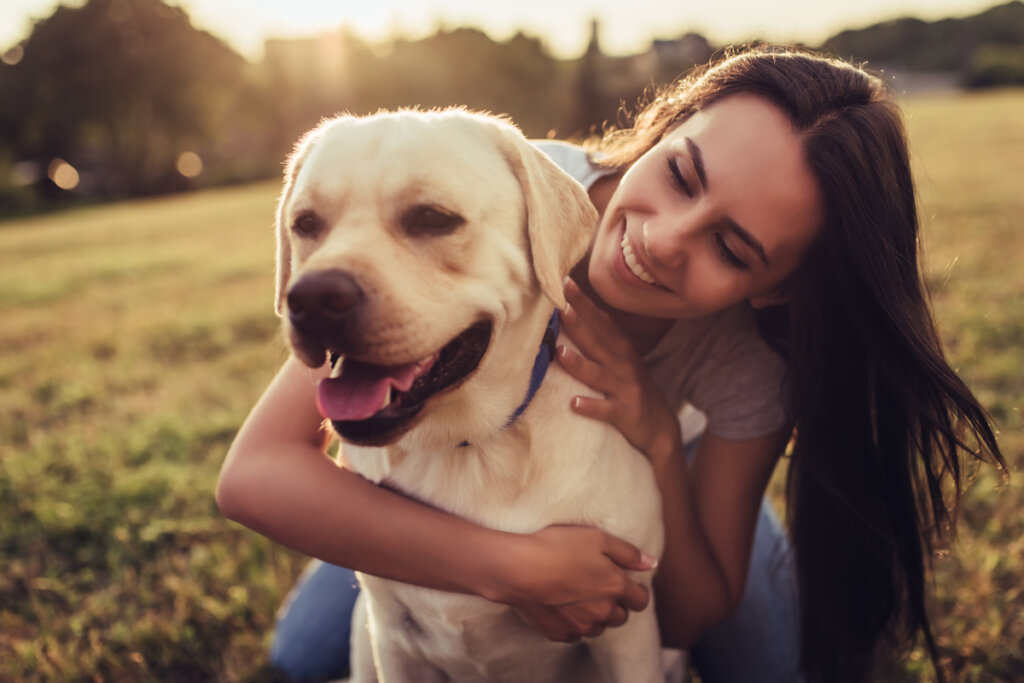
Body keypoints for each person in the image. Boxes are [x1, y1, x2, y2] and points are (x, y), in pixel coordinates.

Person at [217, 46, 1005, 683]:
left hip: (673, 476)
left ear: (778, 288)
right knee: (306, 655)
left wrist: (662, 440)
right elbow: (254, 473)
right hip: (433, 474)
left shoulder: (751, 362)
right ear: (665, 126)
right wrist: (513, 569)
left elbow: (690, 613)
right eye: (680, 173)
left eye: (731, 247)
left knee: (768, 663)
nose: (661, 239)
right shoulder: (501, 176)